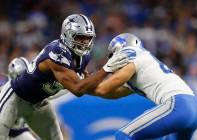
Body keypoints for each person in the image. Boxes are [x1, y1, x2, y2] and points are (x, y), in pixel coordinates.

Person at [0, 14, 129, 140]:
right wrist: (107, 68)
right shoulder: (57, 52)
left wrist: (119, 81)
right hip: (16, 98)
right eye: (80, 38)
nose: (85, 43)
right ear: (67, 34)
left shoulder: (83, 56)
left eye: (88, 38)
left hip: (39, 103)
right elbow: (78, 89)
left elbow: (87, 83)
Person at [91, 33, 197, 140]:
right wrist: (91, 90)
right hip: (195, 108)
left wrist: (86, 85)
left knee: (124, 135)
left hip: (178, 105)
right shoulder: (144, 64)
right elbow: (113, 93)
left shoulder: (133, 56)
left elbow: (105, 87)